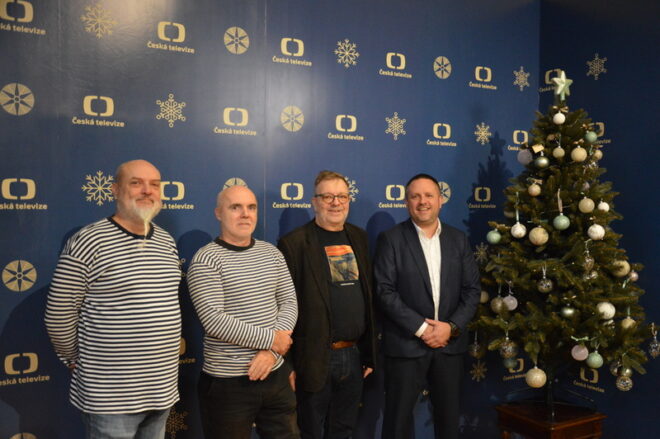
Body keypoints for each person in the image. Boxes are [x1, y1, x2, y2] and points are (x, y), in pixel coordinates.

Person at [45, 159, 182, 439]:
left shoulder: (166, 241)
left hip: (161, 392)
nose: (147, 190)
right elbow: (59, 315)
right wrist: (74, 359)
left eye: (154, 184)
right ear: (115, 190)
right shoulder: (88, 241)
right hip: (110, 399)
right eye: (136, 183)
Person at [187, 184, 299, 439]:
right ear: (218, 213)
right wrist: (272, 341)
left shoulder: (271, 253)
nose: (245, 214)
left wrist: (271, 352)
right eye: (235, 207)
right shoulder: (206, 260)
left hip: (275, 373)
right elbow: (215, 321)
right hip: (228, 385)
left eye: (251, 207)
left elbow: (289, 302)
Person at [373, 173, 480, 439]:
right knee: (397, 424)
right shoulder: (391, 239)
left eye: (429, 195)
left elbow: (471, 291)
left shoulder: (458, 239)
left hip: (449, 346)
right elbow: (385, 292)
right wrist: (423, 329)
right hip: (405, 346)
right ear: (406, 203)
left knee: (449, 423)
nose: (423, 202)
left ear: (440, 200)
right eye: (415, 196)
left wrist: (451, 327)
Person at [278, 171, 377, 439]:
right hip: (313, 358)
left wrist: (369, 353)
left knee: (343, 430)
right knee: (310, 431)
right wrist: (288, 364)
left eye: (342, 196)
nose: (336, 203)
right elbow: (283, 306)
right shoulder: (294, 243)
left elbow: (368, 298)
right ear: (314, 202)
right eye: (327, 196)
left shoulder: (359, 237)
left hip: (354, 356)